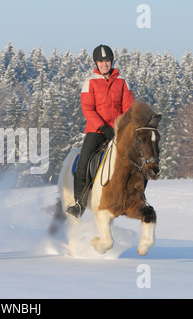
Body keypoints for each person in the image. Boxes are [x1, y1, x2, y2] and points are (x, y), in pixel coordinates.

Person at [66, 44, 135, 218]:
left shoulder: (122, 81)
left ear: (111, 61)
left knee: (138, 158)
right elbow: (88, 109)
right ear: (96, 63)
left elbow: (129, 107)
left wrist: (123, 127)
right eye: (101, 61)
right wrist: (103, 127)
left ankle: (135, 198)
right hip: (96, 131)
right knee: (83, 163)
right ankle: (78, 203)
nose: (104, 64)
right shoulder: (89, 82)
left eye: (107, 61)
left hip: (118, 131)